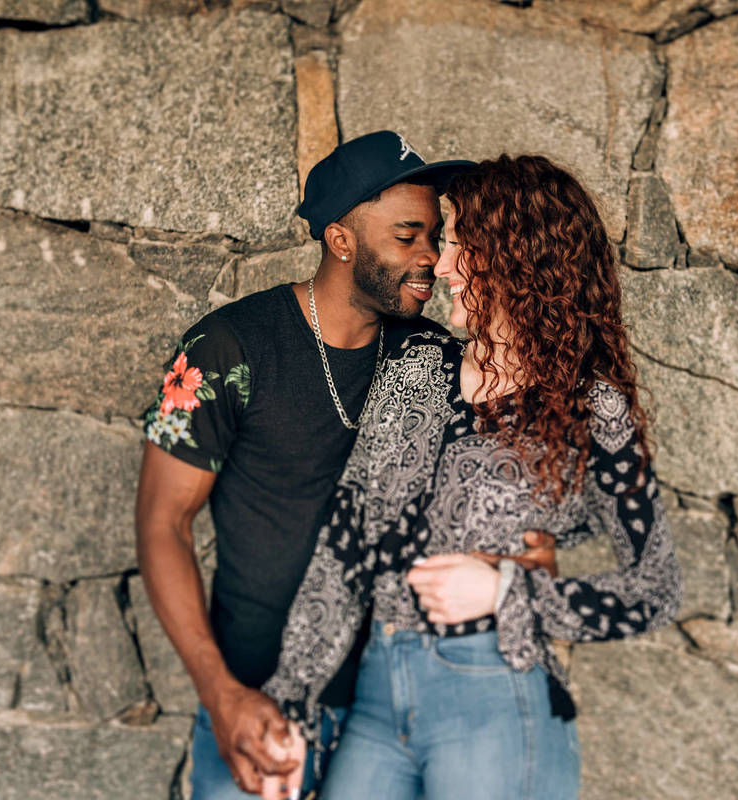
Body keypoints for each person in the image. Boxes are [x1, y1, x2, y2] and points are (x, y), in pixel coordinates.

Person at [134, 131, 557, 799]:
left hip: (397, 711)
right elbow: (163, 524)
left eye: (436, 236)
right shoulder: (227, 348)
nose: (432, 257)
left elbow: (519, 531)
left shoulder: (441, 361)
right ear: (341, 241)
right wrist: (220, 694)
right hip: (259, 705)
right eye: (408, 237)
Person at [261, 155, 683, 800]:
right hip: (377, 688)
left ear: (522, 259)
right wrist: (291, 700)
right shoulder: (416, 364)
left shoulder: (590, 408)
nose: (442, 266)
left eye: (461, 247)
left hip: (494, 690)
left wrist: (507, 590)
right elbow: (346, 543)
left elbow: (655, 589)